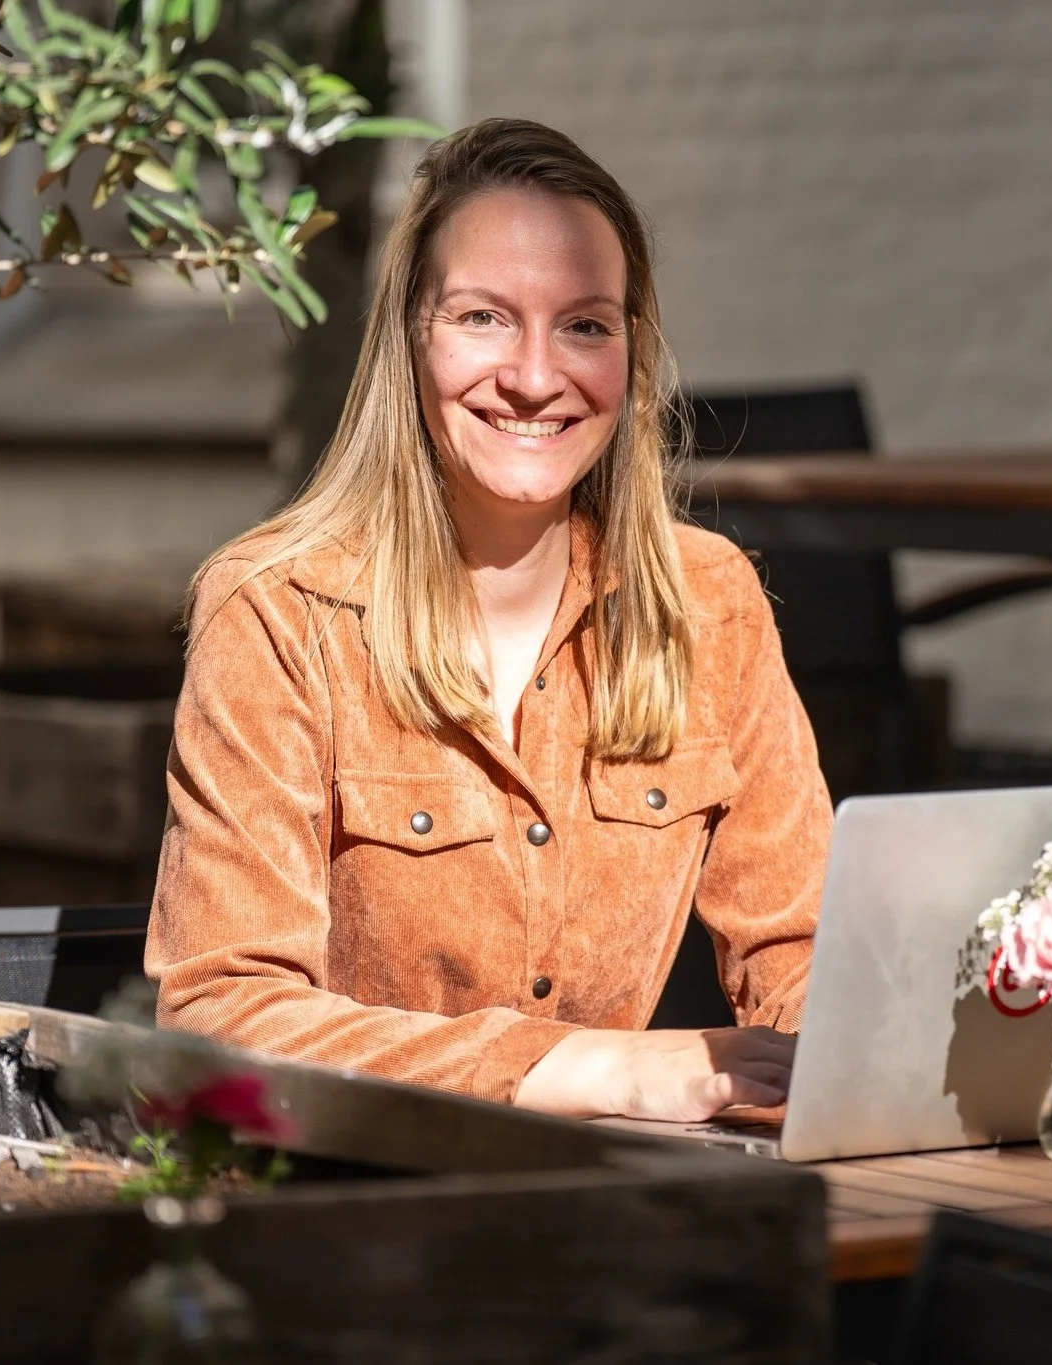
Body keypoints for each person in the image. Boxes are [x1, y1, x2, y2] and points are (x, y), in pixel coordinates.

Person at [146, 117, 831, 1122]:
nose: (533, 376)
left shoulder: (705, 602)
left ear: (632, 358)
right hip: (346, 1206)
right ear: (408, 338)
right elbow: (219, 1022)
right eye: (482, 318)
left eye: (586, 325)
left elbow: (805, 949)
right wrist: (590, 1068)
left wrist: (858, 1053)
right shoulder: (279, 612)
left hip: (615, 1205)